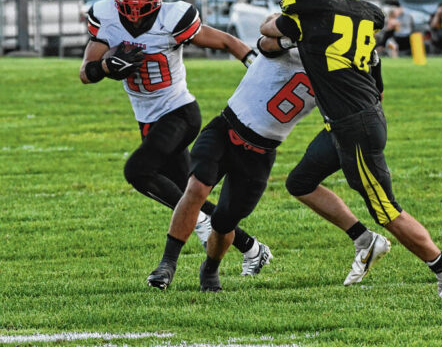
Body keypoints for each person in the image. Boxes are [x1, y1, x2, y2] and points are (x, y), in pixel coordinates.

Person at [259, 0, 442, 296]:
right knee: (301, 182)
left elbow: (266, 32)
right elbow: (375, 66)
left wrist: (285, 35)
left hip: (353, 125)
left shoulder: (308, 12)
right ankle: (364, 240)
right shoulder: (358, 14)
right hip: (356, 117)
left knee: (387, 210)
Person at [146, 39, 389, 291]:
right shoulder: (292, 34)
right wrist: (292, 32)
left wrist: (371, 67)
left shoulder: (334, 67)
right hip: (225, 130)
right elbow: (268, 37)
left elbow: (371, 99)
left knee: (224, 221)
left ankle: (210, 268)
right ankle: (167, 264)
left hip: (261, 152)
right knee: (197, 188)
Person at [79, 0, 267, 270]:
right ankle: (251, 248)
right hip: (147, 119)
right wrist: (106, 67)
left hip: (180, 113)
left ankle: (192, 238)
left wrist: (257, 65)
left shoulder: (173, 18)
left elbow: (225, 41)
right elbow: (86, 73)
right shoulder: (106, 16)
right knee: (188, 197)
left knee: (139, 172)